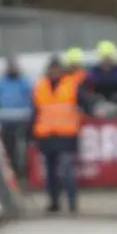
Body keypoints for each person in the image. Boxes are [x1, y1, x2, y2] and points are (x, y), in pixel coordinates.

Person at [29, 57, 97, 213]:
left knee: (66, 169)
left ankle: (72, 202)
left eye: (56, 69)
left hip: (66, 134)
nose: (53, 72)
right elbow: (35, 113)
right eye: (51, 70)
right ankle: (54, 202)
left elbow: (86, 102)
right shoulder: (40, 87)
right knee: (50, 172)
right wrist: (31, 135)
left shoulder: (72, 86)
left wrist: (91, 112)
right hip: (46, 135)